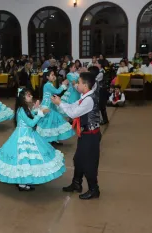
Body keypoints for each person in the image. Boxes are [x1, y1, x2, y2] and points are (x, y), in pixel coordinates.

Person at [0, 88, 65, 191]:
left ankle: (23, 182)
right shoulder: (21, 109)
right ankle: (21, 183)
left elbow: (29, 117)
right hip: (23, 135)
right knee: (23, 159)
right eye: (28, 95)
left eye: (31, 95)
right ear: (23, 98)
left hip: (28, 134)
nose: (31, 96)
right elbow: (31, 123)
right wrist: (40, 113)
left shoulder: (24, 108)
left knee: (27, 159)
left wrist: (35, 110)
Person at [52, 72, 101, 200]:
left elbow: (74, 113)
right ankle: (76, 184)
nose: (76, 84)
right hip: (84, 134)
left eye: (78, 82)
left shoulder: (89, 100)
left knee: (89, 163)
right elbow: (73, 106)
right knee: (78, 160)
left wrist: (59, 103)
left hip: (91, 135)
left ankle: (94, 189)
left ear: (85, 85)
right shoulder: (85, 96)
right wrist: (61, 102)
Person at [36, 68, 75, 145]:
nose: (54, 76)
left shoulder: (49, 84)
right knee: (49, 122)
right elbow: (57, 91)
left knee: (53, 121)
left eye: (54, 75)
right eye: (52, 75)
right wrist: (63, 85)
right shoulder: (47, 85)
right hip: (47, 106)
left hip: (51, 105)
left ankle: (53, 139)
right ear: (47, 77)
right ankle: (50, 139)